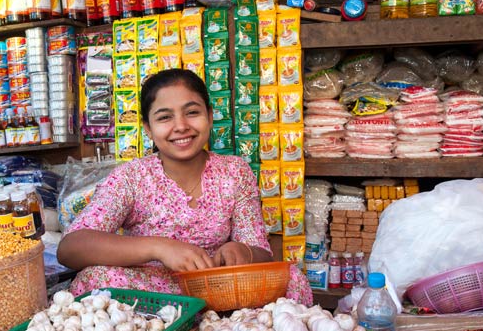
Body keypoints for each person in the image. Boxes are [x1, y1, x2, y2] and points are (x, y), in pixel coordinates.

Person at [58, 69, 313, 304]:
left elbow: (262, 254)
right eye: (165, 117)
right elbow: (72, 248)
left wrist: (242, 252)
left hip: (218, 291)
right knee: (95, 279)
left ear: (210, 117)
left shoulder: (235, 172)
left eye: (192, 112)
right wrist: (158, 247)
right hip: (151, 295)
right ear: (148, 128)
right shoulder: (131, 177)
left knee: (292, 278)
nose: (181, 126)